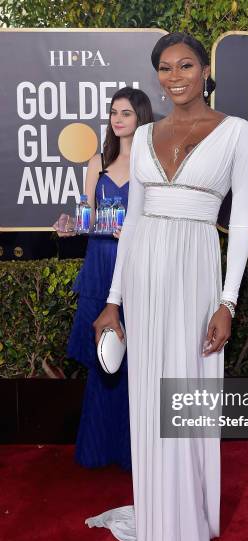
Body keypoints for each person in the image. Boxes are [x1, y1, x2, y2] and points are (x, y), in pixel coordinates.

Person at [86, 33, 248, 541]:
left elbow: (242, 231)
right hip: (146, 279)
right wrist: (114, 301)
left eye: (185, 65)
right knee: (151, 402)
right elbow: (132, 223)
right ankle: (160, 518)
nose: (174, 75)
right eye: (164, 68)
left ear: (205, 69)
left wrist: (227, 302)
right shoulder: (146, 134)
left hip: (195, 277)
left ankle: (191, 522)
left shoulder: (236, 133)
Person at [54, 87, 154, 471]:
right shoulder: (98, 160)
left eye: (126, 113)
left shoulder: (151, 163)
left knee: (137, 361)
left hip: (136, 266)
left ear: (140, 117)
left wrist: (134, 231)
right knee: (103, 360)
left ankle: (135, 456)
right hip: (100, 265)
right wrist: (70, 224)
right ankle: (96, 451)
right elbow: (85, 214)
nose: (117, 119)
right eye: (114, 112)